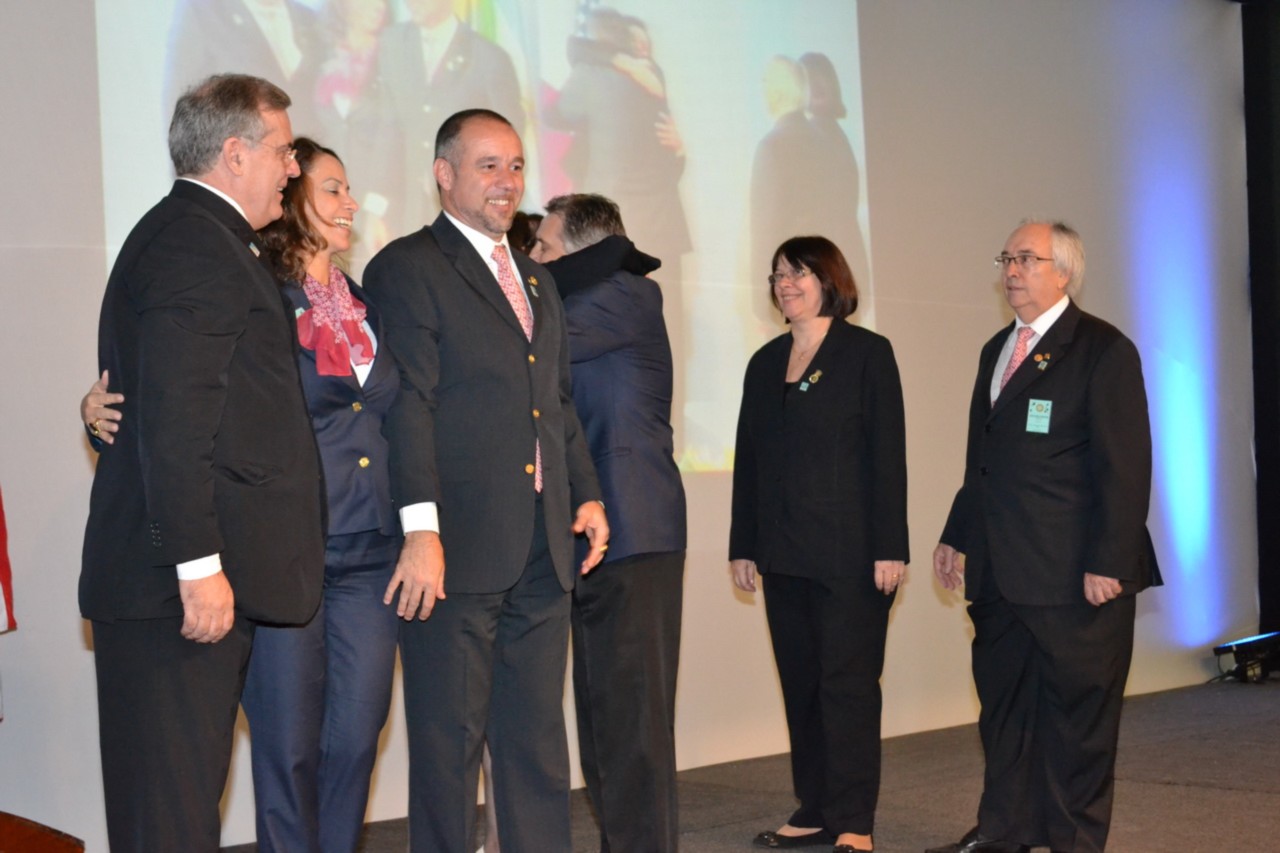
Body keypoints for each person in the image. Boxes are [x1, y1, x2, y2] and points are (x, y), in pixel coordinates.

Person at [83, 137, 401, 852]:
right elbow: (178, 398)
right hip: (278, 553)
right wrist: (98, 412)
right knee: (284, 747)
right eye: (330, 187)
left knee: (356, 736)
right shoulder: (248, 281)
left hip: (367, 550)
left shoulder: (364, 305)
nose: (350, 202)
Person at [363, 108, 609, 853]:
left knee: (535, 745)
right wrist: (421, 531)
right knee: (448, 747)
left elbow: (556, 401)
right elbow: (409, 405)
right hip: (455, 550)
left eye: (517, 166)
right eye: (488, 165)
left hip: (543, 546)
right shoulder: (406, 267)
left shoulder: (537, 279)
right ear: (444, 174)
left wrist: (587, 492)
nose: (507, 182)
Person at [927, 221, 1160, 853]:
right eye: (1006, 258)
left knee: (1077, 723)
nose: (1012, 270)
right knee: (1004, 713)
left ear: (1064, 272)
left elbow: (1126, 466)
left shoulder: (1103, 349)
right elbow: (983, 460)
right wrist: (956, 534)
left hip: (1074, 575)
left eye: (1027, 258)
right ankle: (1004, 830)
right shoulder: (996, 349)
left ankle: (1074, 841)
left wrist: (1110, 559)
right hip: (1000, 572)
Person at [729, 236, 908, 853]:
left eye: (798, 272)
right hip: (783, 555)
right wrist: (743, 544)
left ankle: (854, 819)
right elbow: (750, 461)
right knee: (802, 685)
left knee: (847, 687)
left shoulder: (867, 354)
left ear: (829, 280)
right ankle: (815, 808)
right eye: (777, 274)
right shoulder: (764, 362)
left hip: (851, 557)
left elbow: (887, 456)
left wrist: (891, 546)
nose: (785, 283)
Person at [529, 193, 687, 852]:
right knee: (603, 718)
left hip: (633, 527)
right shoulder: (594, 294)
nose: (532, 259)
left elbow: (532, 346)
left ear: (585, 252)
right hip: (599, 534)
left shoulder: (626, 293)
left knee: (633, 725)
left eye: (543, 247)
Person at [369, 0, 523, 236]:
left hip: (469, 221)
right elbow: (387, 131)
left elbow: (510, 142)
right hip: (405, 208)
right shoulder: (392, 43)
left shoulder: (489, 57)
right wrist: (375, 209)